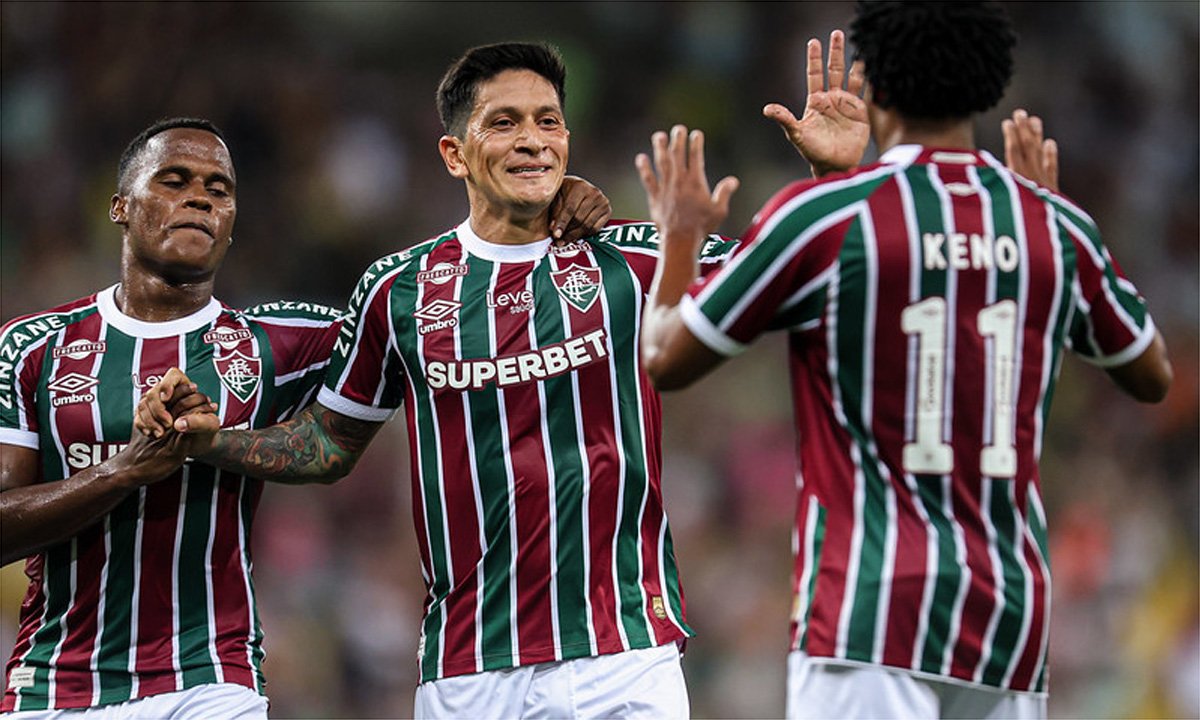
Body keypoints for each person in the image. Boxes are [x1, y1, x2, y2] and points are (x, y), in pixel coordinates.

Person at [136, 42, 737, 719]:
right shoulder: (399, 289)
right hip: (467, 671)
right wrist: (213, 442)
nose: (533, 139)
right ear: (455, 154)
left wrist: (823, 175)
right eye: (505, 122)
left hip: (625, 656)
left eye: (548, 121)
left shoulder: (628, 256)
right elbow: (328, 443)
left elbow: (789, 275)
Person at [635, 3, 1173, 719]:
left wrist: (678, 240)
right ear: (991, 86)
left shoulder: (825, 216)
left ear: (878, 86)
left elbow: (665, 357)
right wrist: (1047, 218)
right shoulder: (1053, 224)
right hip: (1009, 622)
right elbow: (1151, 372)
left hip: (868, 612)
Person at [0, 117, 608, 717]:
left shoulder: (278, 342)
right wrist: (123, 471)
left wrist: (538, 216)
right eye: (174, 181)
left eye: (219, 189)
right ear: (120, 207)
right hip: (54, 684)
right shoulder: (33, 348)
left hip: (210, 681)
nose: (200, 199)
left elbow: (437, 316)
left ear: (231, 222)